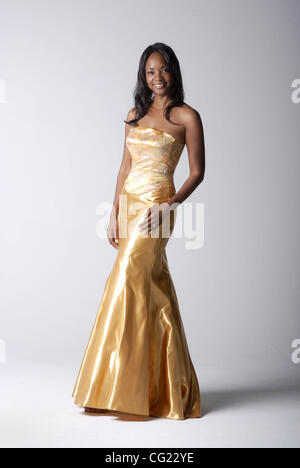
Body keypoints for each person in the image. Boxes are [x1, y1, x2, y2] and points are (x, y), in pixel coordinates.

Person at [72, 42, 205, 420]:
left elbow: (197, 172)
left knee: (126, 279)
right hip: (129, 205)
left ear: (173, 72)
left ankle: (117, 388)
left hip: (158, 207)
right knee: (154, 289)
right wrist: (114, 211)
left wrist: (170, 204)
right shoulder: (134, 114)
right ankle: (164, 388)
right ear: (143, 76)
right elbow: (124, 166)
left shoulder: (188, 117)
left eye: (163, 69)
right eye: (150, 71)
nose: (157, 77)